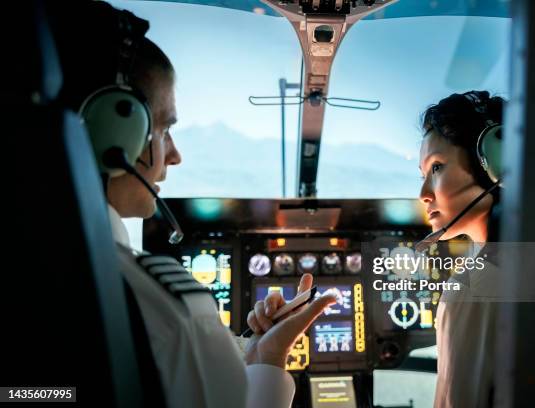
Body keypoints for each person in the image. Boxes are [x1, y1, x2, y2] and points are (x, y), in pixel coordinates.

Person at [51, 2, 335, 407]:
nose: (175, 154)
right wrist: (269, 361)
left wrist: (251, 353)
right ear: (115, 132)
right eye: (164, 128)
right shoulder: (165, 312)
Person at [418, 90, 505, 408]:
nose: (424, 193)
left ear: (495, 164)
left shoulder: (473, 288)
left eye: (437, 168)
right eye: (423, 174)